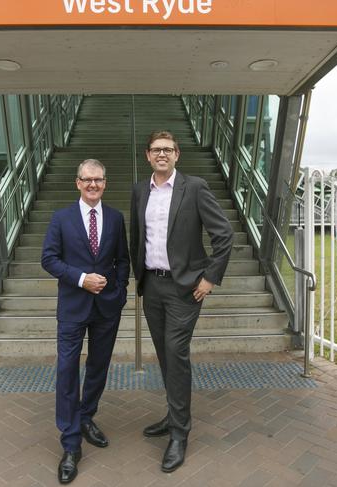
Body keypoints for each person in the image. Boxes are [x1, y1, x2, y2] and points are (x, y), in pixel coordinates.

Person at [130, 131, 233, 473]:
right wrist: (137, 277)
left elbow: (224, 234)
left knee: (176, 352)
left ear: (177, 155)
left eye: (168, 150)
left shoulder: (195, 187)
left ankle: (179, 433)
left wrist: (209, 278)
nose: (162, 154)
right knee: (164, 355)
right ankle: (174, 414)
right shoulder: (139, 190)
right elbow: (137, 237)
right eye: (156, 150)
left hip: (184, 288)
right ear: (148, 156)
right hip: (153, 286)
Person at [41, 159, 129, 484]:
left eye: (99, 180)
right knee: (67, 370)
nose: (93, 185)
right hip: (73, 306)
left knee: (98, 367)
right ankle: (71, 444)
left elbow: (123, 260)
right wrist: (81, 279)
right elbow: (48, 259)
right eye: (87, 180)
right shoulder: (61, 218)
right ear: (77, 182)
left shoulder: (117, 219)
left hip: (107, 307)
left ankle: (87, 415)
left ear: (105, 183)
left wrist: (119, 292)